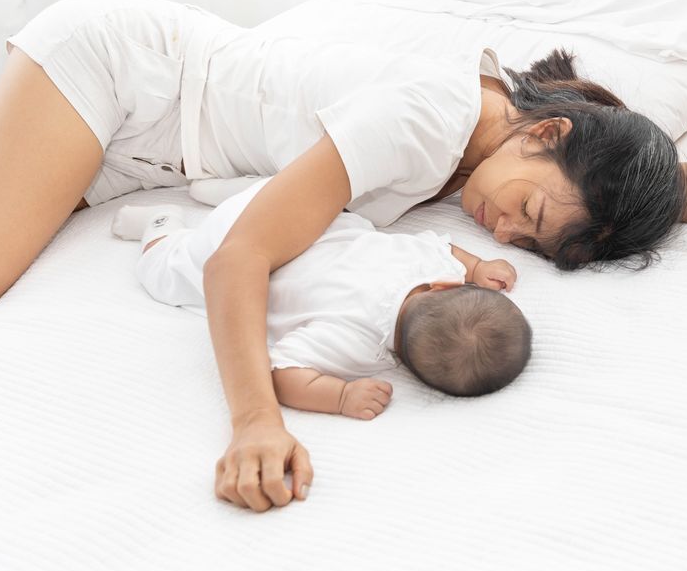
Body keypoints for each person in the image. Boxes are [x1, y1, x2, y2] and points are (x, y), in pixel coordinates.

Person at [0, 0, 687, 512]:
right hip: (128, 85)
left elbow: (678, 184)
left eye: (531, 242)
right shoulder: (427, 118)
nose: (503, 233)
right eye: (530, 217)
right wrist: (256, 415)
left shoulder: (517, 135)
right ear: (546, 131)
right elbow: (238, 257)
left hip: (143, 145)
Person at [114, 178, 531, 424]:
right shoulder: (354, 346)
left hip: (276, 202)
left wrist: (476, 267)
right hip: (220, 247)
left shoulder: (427, 266)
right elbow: (284, 374)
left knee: (305, 197)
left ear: (443, 287)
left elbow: (446, 246)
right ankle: (160, 226)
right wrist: (339, 397)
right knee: (163, 274)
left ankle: (219, 188)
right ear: (408, 366)